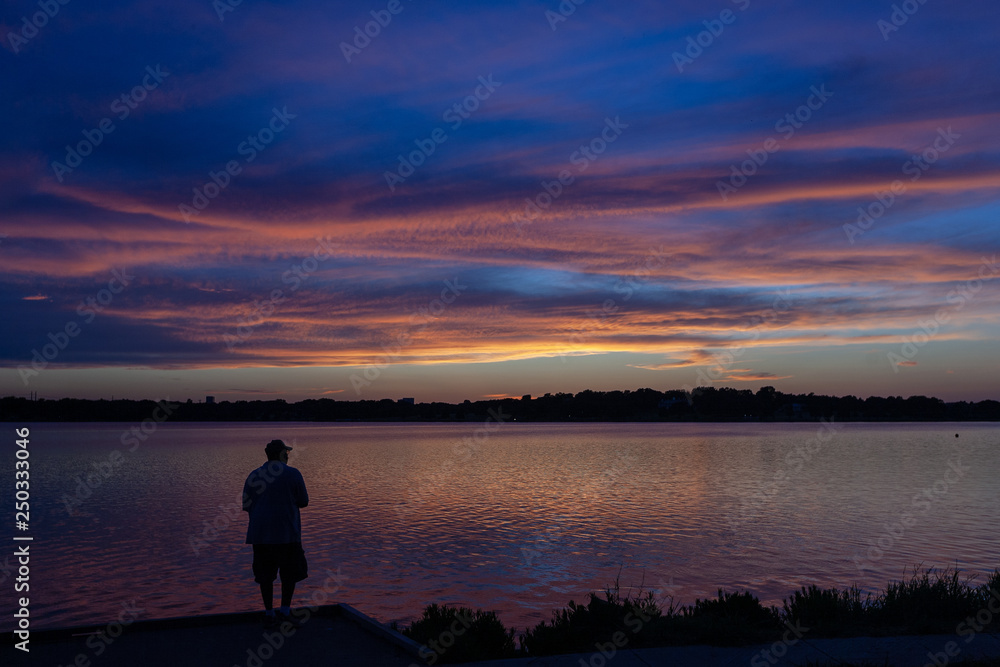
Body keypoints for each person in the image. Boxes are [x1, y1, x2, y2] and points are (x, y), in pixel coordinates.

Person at [243, 439, 309, 628]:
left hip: (261, 535)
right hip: (287, 534)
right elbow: (303, 501)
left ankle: (269, 613)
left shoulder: (254, 475)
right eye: (286, 453)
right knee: (289, 574)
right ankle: (285, 612)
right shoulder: (293, 474)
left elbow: (246, 506)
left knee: (265, 576)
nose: (288, 456)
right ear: (282, 455)